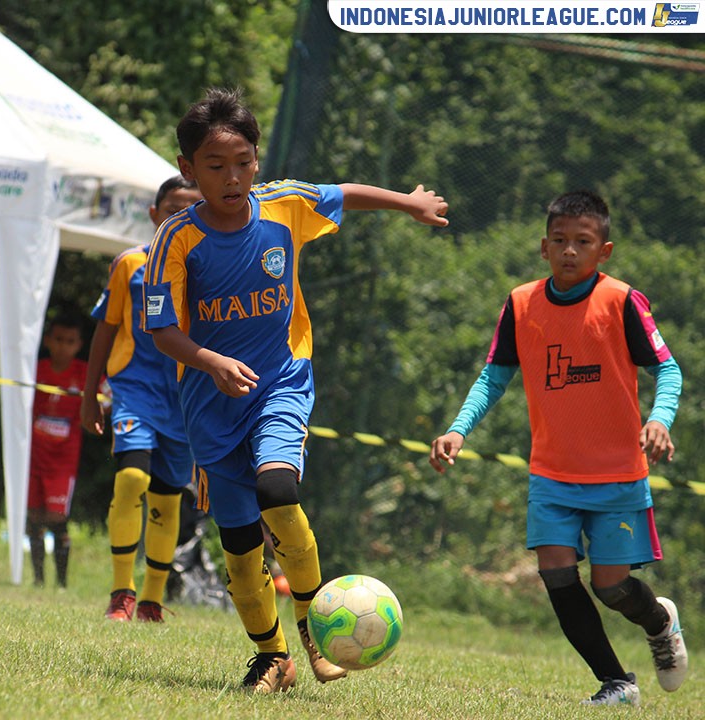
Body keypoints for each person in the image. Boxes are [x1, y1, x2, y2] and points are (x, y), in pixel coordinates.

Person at [143, 87, 448, 693]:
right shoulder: (175, 238)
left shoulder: (282, 205)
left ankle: (313, 629)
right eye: (215, 166)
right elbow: (162, 331)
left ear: (257, 159)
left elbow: (343, 194)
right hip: (209, 403)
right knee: (236, 543)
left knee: (278, 488)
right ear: (187, 169)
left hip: (282, 380)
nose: (233, 177)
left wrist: (408, 203)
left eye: (244, 162)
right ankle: (271, 657)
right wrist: (210, 361)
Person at [430, 190, 688, 707]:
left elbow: (668, 368)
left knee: (612, 588)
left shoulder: (621, 301)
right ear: (543, 247)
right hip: (552, 474)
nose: (570, 251)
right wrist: (459, 428)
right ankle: (617, 683)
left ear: (604, 251)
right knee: (555, 571)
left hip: (617, 474)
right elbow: (492, 378)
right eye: (560, 241)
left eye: (583, 242)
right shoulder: (521, 304)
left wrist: (659, 420)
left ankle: (660, 622)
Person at [80, 175, 202, 622]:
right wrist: (91, 393)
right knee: (132, 479)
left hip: (184, 399)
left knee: (169, 499)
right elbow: (106, 327)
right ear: (155, 214)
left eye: (191, 209)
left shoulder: (209, 267)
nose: (180, 216)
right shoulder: (131, 263)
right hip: (133, 390)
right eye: (172, 208)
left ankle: (151, 598)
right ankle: (121, 592)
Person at [27, 311, 89, 588]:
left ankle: (61, 584)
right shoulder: (34, 369)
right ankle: (38, 579)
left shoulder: (84, 373)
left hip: (64, 462)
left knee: (57, 518)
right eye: (59, 339)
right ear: (49, 340)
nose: (64, 346)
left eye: (70, 341)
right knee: (34, 517)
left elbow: (107, 398)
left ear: (79, 344)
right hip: (33, 458)